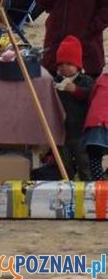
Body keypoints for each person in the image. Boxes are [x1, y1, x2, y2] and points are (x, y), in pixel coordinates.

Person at [53, 36, 94, 180]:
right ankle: (68, 185)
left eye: (69, 64)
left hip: (80, 131)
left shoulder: (85, 80)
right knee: (64, 165)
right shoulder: (55, 80)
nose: (64, 67)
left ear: (78, 66)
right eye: (61, 64)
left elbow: (90, 96)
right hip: (62, 131)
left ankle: (87, 187)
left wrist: (75, 90)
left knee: (84, 163)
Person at [84, 71, 108, 180]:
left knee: (94, 157)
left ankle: (99, 183)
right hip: (100, 121)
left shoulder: (101, 78)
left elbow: (91, 98)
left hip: (95, 121)